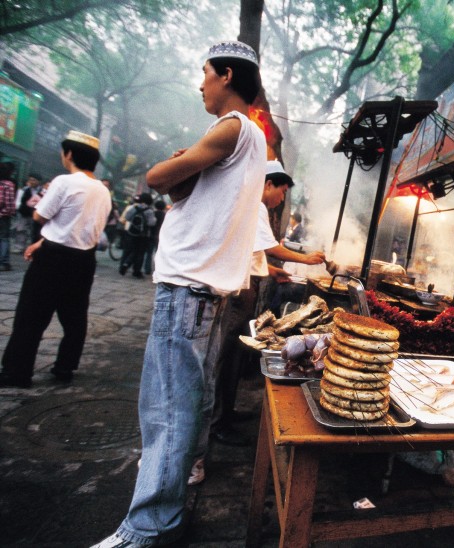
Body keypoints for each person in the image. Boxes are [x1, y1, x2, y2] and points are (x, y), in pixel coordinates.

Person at [91, 40, 266, 548]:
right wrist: (184, 168)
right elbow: (183, 190)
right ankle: (176, 490)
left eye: (205, 73)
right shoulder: (249, 138)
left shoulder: (231, 127)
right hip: (203, 287)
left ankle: (148, 527)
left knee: (167, 409)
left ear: (227, 74)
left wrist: (179, 162)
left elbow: (157, 177)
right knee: (191, 399)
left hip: (189, 285)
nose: (200, 84)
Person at [210, 165, 324, 447]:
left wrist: (272, 271)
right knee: (227, 356)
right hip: (240, 290)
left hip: (246, 284)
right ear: (270, 184)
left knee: (235, 355)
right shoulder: (255, 204)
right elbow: (270, 247)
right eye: (283, 192)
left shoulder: (253, 205)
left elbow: (252, 250)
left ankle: (226, 412)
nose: (282, 199)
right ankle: (217, 422)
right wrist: (308, 259)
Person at [0, 131, 111, 387]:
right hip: (84, 259)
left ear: (69, 154)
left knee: (31, 315)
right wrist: (42, 241)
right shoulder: (103, 191)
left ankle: (17, 372)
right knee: (74, 317)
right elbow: (80, 226)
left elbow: (40, 216)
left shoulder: (65, 181)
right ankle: (64, 367)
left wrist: (44, 239)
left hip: (53, 259)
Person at [118, 192, 156, 278]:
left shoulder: (134, 208)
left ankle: (124, 265)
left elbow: (127, 218)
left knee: (130, 250)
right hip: (143, 235)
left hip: (131, 232)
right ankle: (136, 271)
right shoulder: (149, 210)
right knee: (140, 253)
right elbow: (151, 223)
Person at [14, 173, 41, 250]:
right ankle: (19, 247)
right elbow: (20, 201)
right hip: (24, 213)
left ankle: (32, 248)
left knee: (34, 231)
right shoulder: (25, 190)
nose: (32, 182)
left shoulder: (41, 190)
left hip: (36, 214)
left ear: (38, 181)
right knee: (21, 230)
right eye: (30, 180)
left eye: (34, 180)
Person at [142, 199, 166, 274]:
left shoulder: (153, 213)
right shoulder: (165, 215)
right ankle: (159, 269)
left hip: (151, 235)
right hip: (161, 236)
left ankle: (147, 269)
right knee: (159, 254)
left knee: (149, 253)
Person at [0, 162, 15, 271]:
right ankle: (3, 262)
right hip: (4, 216)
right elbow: (9, 203)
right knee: (4, 238)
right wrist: (5, 213)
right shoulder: (8, 185)